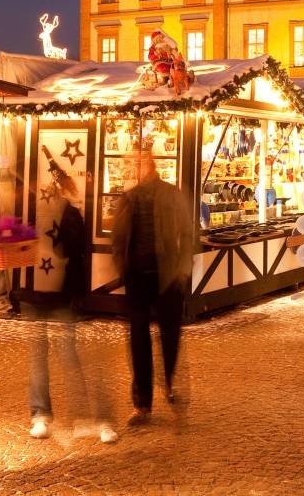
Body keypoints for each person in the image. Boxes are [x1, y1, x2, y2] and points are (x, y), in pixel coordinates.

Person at [25, 160, 118, 445]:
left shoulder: (71, 215)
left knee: (67, 356)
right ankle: (41, 414)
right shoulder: (33, 216)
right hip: (35, 294)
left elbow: (77, 255)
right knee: (40, 358)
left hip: (60, 295)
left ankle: (77, 416)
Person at [111, 147, 194, 426]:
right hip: (138, 277)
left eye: (136, 162)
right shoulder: (129, 198)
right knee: (138, 340)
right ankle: (142, 403)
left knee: (170, 335)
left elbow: (188, 231)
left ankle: (170, 383)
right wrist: (123, 268)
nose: (133, 167)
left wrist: (182, 270)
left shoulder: (171, 194)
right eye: (130, 162)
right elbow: (118, 239)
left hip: (168, 275)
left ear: (150, 164)